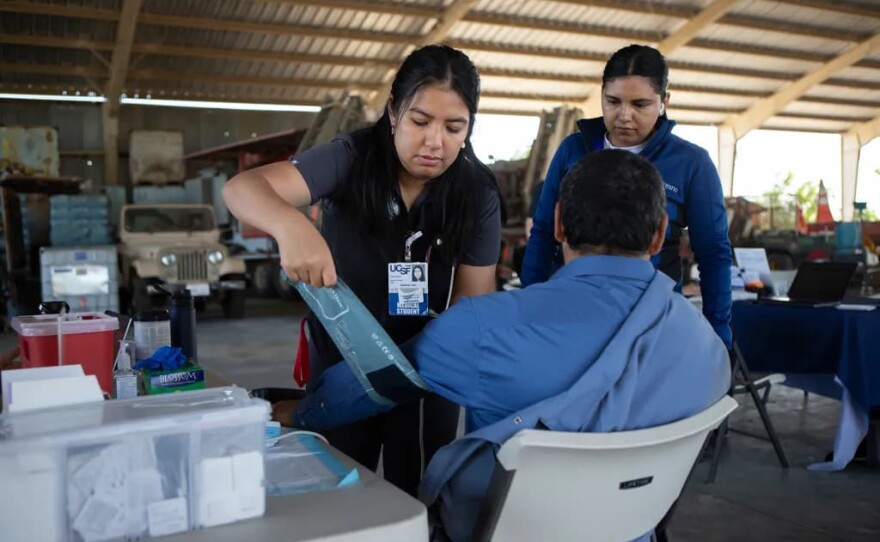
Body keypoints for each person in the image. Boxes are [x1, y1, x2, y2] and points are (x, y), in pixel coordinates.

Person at [275, 150, 731, 541]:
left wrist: (297, 412)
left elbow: (379, 382)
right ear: (659, 233)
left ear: (557, 226)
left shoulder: (482, 329)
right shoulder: (707, 351)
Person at [223, 44, 503, 496]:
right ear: (393, 111)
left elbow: (473, 300)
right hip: (340, 359)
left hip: (425, 369)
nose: (436, 142)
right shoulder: (350, 158)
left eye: (455, 128)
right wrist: (290, 225)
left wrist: (415, 370)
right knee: (337, 488)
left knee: (418, 496)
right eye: (420, 121)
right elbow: (242, 188)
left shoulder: (476, 193)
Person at [521, 44, 733, 348]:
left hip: (652, 323)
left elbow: (713, 253)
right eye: (613, 101)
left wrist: (718, 334)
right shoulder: (572, 151)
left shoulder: (691, 164)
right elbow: (542, 233)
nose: (624, 116)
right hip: (571, 315)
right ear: (602, 94)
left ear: (664, 102)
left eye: (640, 104)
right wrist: (533, 305)